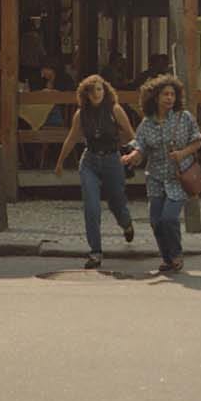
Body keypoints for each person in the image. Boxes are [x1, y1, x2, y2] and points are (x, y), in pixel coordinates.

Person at [54, 74, 138, 269]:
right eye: (92, 91)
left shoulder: (114, 109)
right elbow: (72, 138)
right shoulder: (81, 114)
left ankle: (126, 224)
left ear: (105, 90)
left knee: (117, 202)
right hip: (90, 161)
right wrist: (60, 162)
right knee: (91, 207)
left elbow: (131, 134)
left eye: (99, 89)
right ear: (86, 94)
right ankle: (95, 252)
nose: (96, 93)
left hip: (112, 159)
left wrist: (134, 155)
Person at [122, 74, 201, 273]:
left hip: (178, 177)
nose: (169, 98)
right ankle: (167, 259)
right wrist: (132, 156)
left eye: (172, 94)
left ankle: (176, 254)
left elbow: (198, 141)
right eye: (165, 94)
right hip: (155, 178)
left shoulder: (184, 118)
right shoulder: (147, 123)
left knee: (169, 218)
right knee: (156, 221)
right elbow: (140, 146)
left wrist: (182, 153)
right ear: (155, 97)